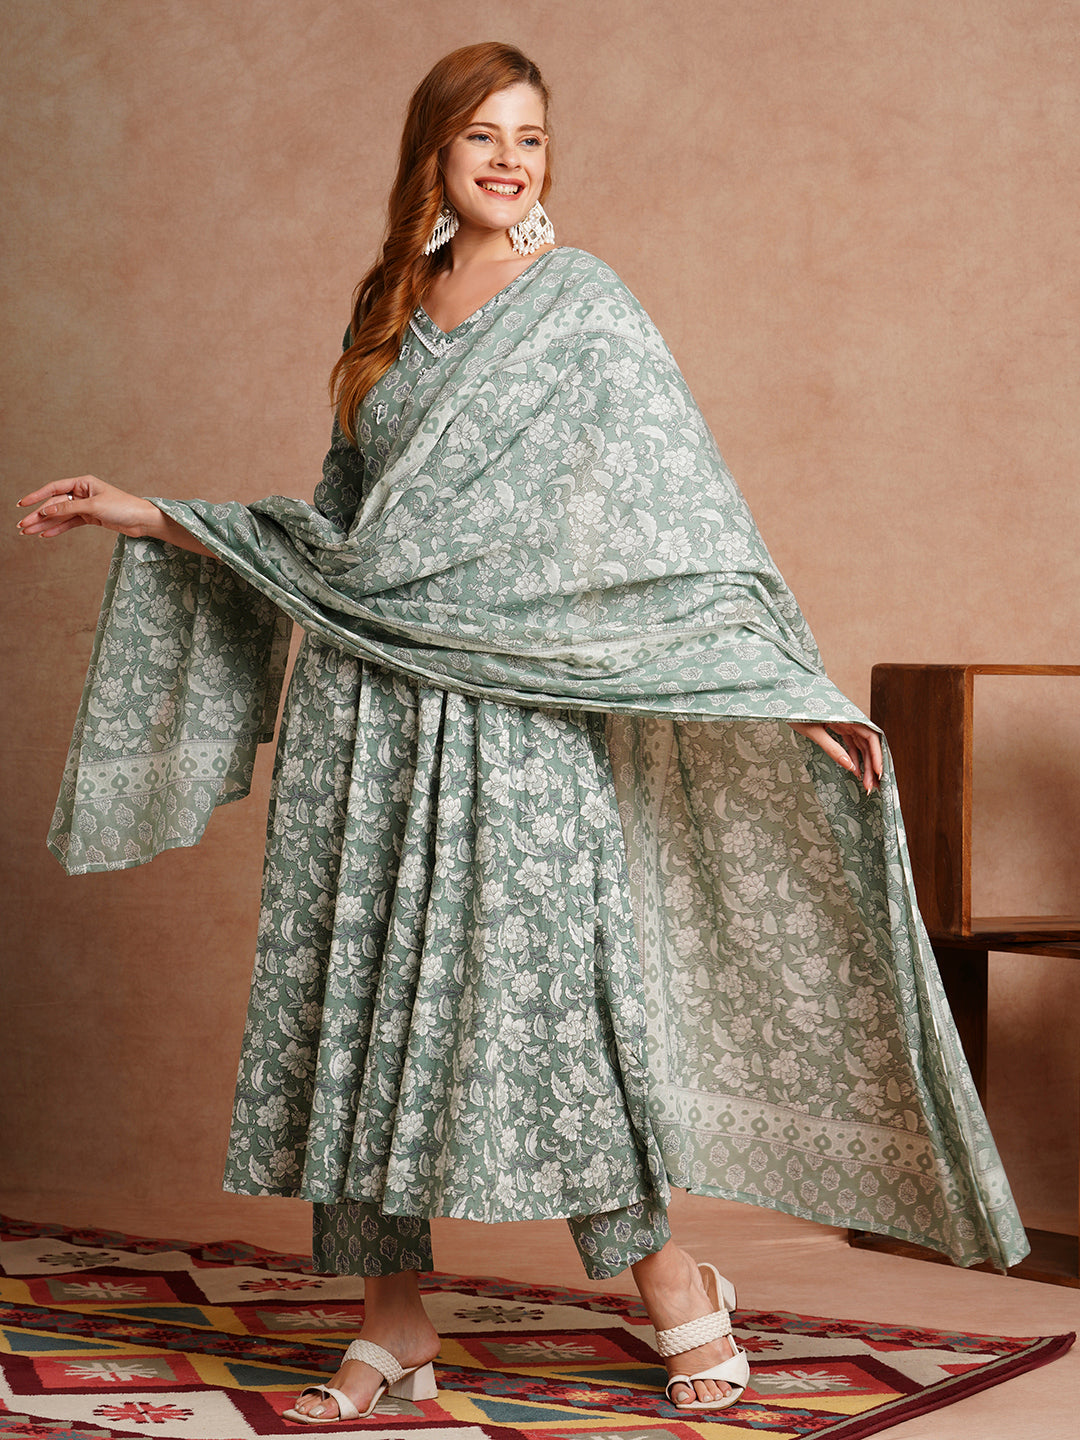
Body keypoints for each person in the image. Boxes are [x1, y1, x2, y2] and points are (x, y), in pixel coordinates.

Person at [18, 41, 1026, 1428]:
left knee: (556, 1006)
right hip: (368, 710)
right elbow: (343, 537)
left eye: (531, 137)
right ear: (433, 153)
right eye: (482, 134)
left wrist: (777, 681)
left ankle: (673, 1280)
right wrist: (153, 514)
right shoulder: (388, 307)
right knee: (360, 1004)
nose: (508, 158)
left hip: (520, 712)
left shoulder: (584, 306)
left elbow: (683, 522)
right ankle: (392, 1320)